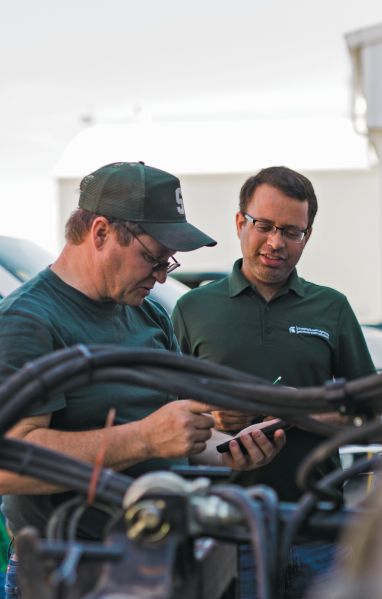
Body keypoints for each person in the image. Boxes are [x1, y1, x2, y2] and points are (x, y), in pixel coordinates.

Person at [0, 162, 284, 596]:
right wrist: (145, 439)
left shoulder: (147, 313)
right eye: (152, 257)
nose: (162, 275)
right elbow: (9, 464)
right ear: (100, 233)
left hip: (156, 555)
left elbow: (165, 432)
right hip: (72, 571)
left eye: (168, 261)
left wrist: (227, 452)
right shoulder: (27, 322)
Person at [172, 166, 376, 598]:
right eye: (264, 226)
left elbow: (369, 418)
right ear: (240, 222)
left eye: (292, 232)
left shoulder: (332, 308)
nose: (275, 243)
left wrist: (293, 409)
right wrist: (214, 415)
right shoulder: (192, 310)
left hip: (318, 529)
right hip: (223, 532)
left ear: (308, 235)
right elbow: (167, 418)